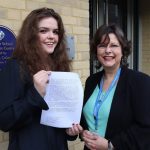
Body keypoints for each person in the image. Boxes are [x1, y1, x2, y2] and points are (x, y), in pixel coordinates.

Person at [0, 7, 79, 150]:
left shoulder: (59, 67)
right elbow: (4, 121)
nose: (51, 36)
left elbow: (60, 116)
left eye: (55, 32)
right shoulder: (15, 66)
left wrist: (70, 131)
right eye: (43, 31)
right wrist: (35, 94)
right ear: (30, 35)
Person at [72, 24, 150, 150]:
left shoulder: (140, 82)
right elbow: (88, 118)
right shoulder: (91, 81)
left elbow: (146, 128)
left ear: (123, 50)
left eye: (114, 45)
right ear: (96, 50)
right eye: (102, 45)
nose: (107, 50)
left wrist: (110, 145)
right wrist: (83, 132)